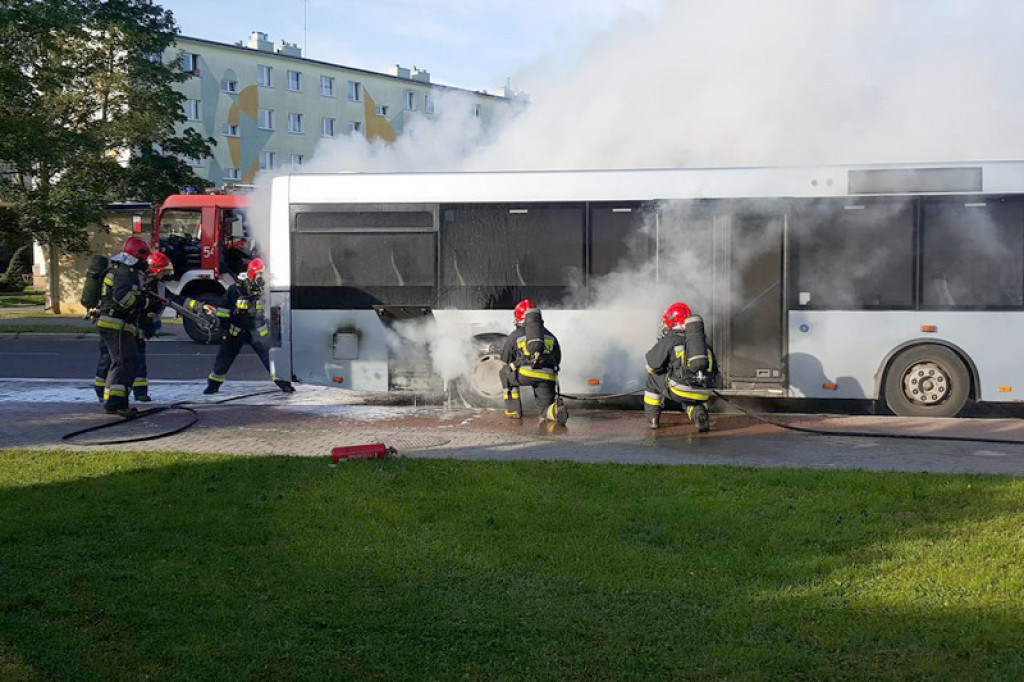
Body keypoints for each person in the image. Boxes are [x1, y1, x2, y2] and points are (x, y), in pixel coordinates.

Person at [201, 257, 294, 395]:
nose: (262, 277)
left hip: (257, 333)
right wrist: (225, 326)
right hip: (235, 332)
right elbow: (223, 310)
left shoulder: (266, 290)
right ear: (251, 273)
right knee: (223, 360)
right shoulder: (235, 290)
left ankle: (284, 384)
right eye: (259, 274)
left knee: (271, 358)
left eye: (263, 274)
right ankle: (212, 386)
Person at [93, 251, 178, 403]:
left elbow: (176, 300)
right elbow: (125, 299)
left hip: (131, 327)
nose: (164, 276)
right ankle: (110, 397)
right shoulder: (132, 278)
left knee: (128, 361)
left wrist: (200, 307)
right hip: (123, 326)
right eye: (163, 272)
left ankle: (132, 393)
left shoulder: (145, 282)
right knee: (119, 361)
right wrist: (146, 302)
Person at [94, 236, 151, 416]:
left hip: (117, 323)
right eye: (143, 257)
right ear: (136, 255)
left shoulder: (122, 269)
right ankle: (117, 404)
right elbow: (122, 297)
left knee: (125, 362)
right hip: (116, 324)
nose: (144, 261)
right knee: (124, 363)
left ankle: (114, 402)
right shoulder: (125, 272)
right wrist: (142, 302)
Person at [644, 301, 716, 432]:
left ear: (673, 321)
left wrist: (662, 371)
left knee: (652, 378)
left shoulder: (671, 339)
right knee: (690, 399)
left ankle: (652, 419)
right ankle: (698, 414)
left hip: (680, 389)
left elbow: (652, 365)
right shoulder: (702, 344)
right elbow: (714, 370)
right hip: (704, 393)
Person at [498, 299, 568, 425]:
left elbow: (505, 359)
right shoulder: (550, 335)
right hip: (548, 376)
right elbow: (558, 359)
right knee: (545, 409)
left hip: (525, 375)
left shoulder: (516, 334)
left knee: (505, 372)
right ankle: (555, 411)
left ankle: (513, 411)